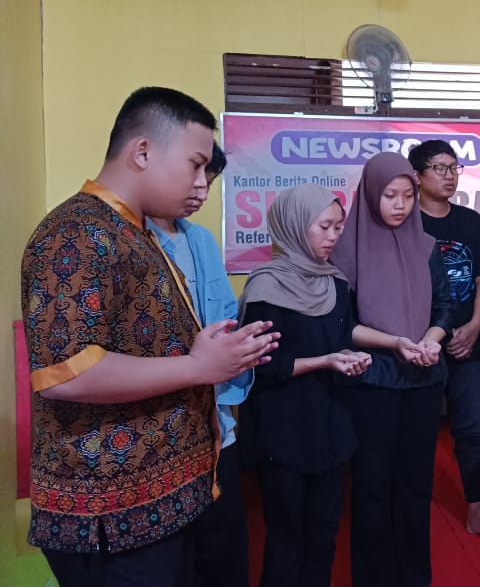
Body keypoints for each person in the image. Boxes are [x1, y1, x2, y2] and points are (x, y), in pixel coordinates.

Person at [20, 86, 278, 587]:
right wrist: (199, 367)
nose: (202, 181)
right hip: (110, 515)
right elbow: (65, 373)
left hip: (161, 502)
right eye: (196, 164)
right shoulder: (77, 232)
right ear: (143, 152)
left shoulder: (133, 232)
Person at [238, 184, 372, 587]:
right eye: (324, 227)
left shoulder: (336, 283)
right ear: (295, 226)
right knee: (286, 539)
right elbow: (260, 365)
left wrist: (351, 357)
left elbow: (342, 337)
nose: (333, 236)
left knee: (324, 536)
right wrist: (325, 361)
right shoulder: (266, 288)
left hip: (332, 424)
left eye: (338, 227)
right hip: (284, 431)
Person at [331, 152, 454, 587]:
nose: (400, 205)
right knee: (372, 487)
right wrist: (396, 343)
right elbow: (342, 325)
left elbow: (445, 306)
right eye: (389, 195)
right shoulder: (346, 250)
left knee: (417, 486)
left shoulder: (427, 245)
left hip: (423, 379)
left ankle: (414, 577)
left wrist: (431, 340)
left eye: (407, 195)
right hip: (373, 381)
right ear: (370, 195)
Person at [146, 142, 252, 587]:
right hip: (159, 432)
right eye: (195, 176)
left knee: (224, 551)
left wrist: (240, 346)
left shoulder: (201, 240)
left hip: (214, 427)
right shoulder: (130, 241)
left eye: (209, 182)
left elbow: (224, 314)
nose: (201, 192)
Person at [409, 140, 480, 541]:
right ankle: (412, 521)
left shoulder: (469, 220)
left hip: (470, 346)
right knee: (417, 435)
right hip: (421, 347)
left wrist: (474, 326)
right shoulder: (406, 223)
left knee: (472, 432)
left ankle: (478, 514)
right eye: (440, 168)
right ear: (417, 176)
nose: (450, 176)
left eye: (454, 168)